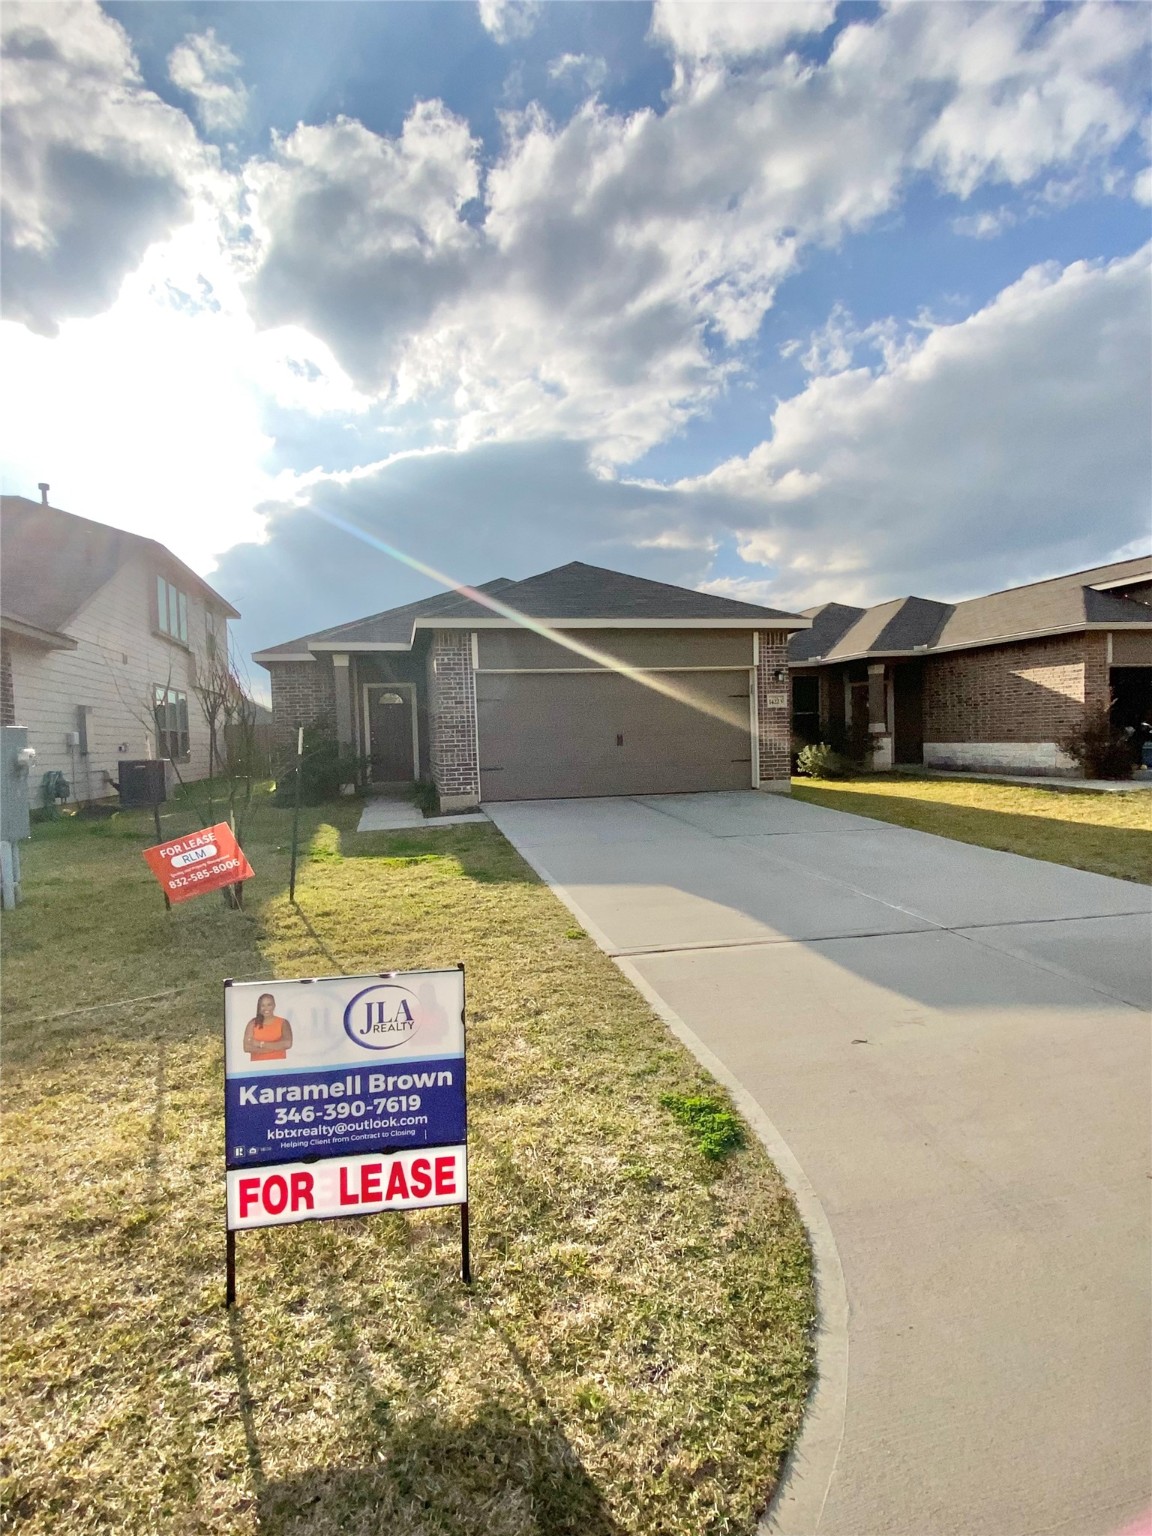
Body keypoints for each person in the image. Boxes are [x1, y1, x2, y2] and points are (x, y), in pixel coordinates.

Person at [242, 993, 293, 1063]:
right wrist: (276, 1047)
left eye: (269, 1005)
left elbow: (287, 1044)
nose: (266, 1008)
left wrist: (259, 1044)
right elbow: (247, 1047)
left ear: (274, 1005)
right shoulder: (252, 1023)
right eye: (263, 1005)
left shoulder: (283, 1023)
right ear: (259, 1007)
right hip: (257, 1065)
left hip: (279, 1064)